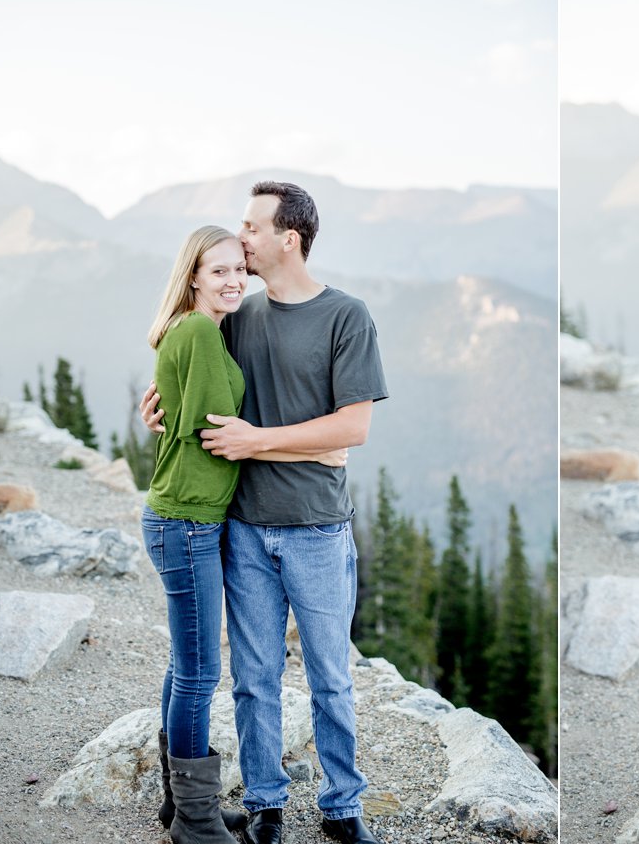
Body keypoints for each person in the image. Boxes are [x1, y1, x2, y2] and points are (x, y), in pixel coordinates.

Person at [142, 182, 388, 845]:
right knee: (254, 682)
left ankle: (341, 808)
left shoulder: (346, 316)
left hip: (315, 528)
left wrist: (259, 441)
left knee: (332, 679)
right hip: (245, 528)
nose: (241, 237)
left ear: (290, 238)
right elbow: (187, 365)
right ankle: (266, 806)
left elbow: (354, 428)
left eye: (252, 227)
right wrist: (158, 401)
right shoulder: (238, 314)